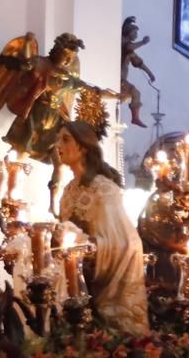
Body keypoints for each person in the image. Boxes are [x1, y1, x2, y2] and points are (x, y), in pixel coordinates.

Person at [56, 121, 150, 334]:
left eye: (65, 139)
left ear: (84, 147)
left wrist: (88, 247)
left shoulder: (104, 189)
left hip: (102, 281)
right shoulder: (68, 191)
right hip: (75, 276)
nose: (57, 145)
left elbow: (127, 243)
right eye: (58, 139)